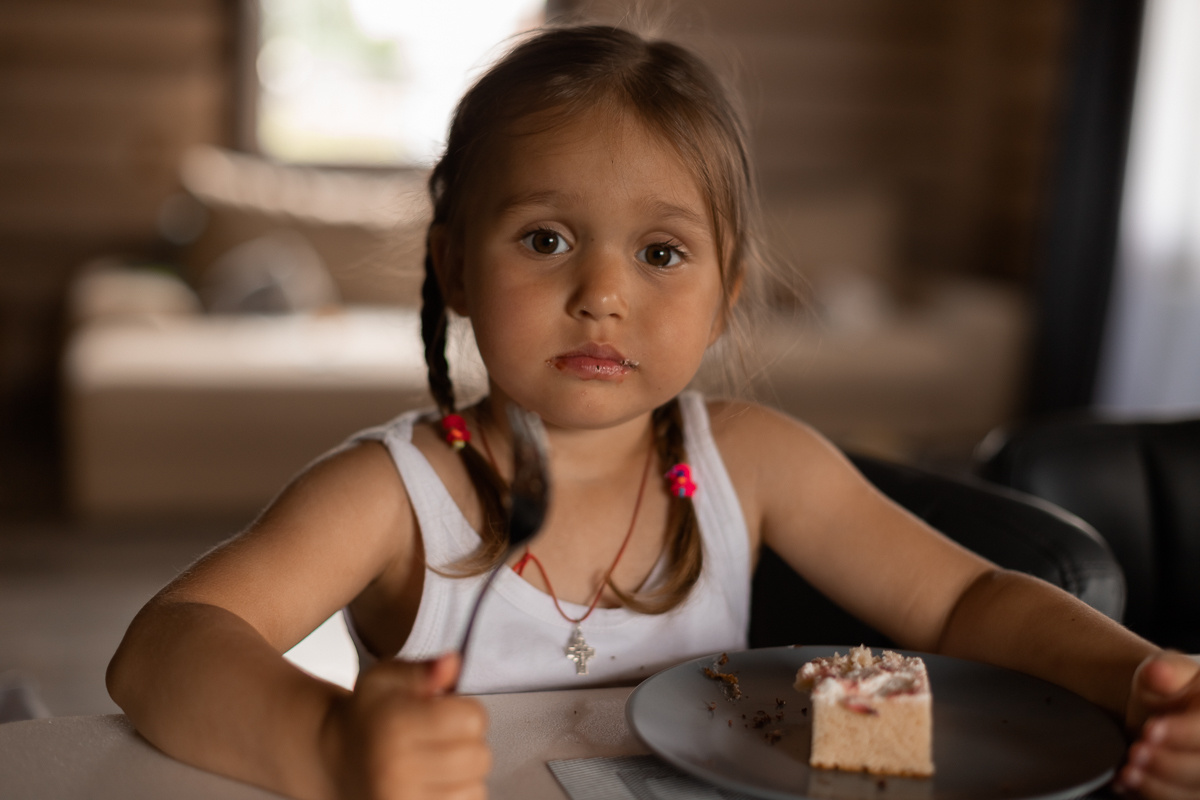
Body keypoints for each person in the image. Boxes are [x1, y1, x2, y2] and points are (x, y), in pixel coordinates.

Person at [108, 22, 1200, 800]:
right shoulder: (398, 493)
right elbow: (163, 648)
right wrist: (331, 745)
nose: (603, 292)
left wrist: (1142, 678)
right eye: (545, 238)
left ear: (726, 297)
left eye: (662, 252)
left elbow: (968, 602)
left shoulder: (757, 462)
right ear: (450, 264)